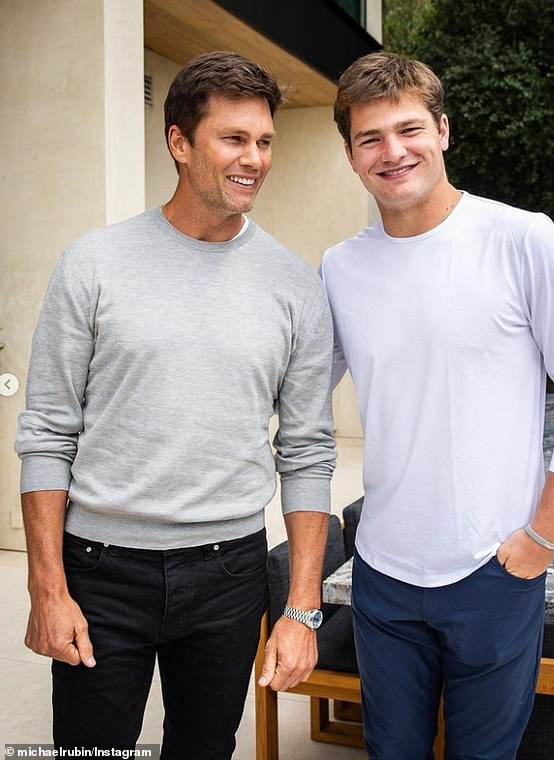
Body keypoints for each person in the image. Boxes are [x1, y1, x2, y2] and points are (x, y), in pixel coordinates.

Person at [16, 51, 335, 758]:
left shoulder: (294, 286)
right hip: (100, 567)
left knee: (204, 749)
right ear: (180, 142)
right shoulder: (93, 264)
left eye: (264, 141)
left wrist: (302, 611)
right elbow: (46, 432)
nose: (254, 158)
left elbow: (309, 449)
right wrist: (48, 586)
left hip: (228, 572)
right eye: (234, 138)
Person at [320, 51, 554, 759]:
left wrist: (541, 538)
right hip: (383, 578)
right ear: (351, 155)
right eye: (371, 138)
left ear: (444, 130)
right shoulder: (340, 266)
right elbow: (294, 389)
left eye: (409, 128)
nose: (393, 151)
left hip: (493, 569)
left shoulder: (522, 237)